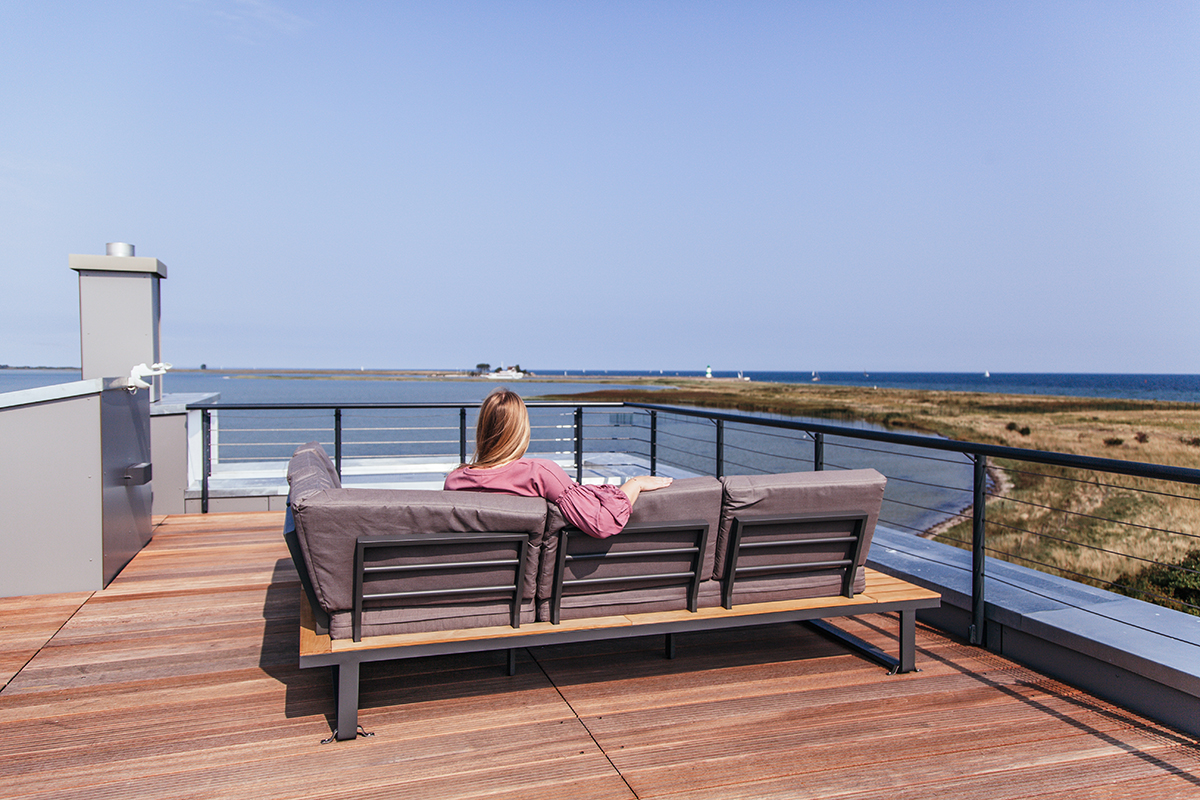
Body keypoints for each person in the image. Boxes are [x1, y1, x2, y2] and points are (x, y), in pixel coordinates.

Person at [444, 388, 672, 538]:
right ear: (521, 430)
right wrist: (635, 484)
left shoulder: (454, 482)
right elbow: (601, 523)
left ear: (482, 429)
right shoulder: (539, 474)